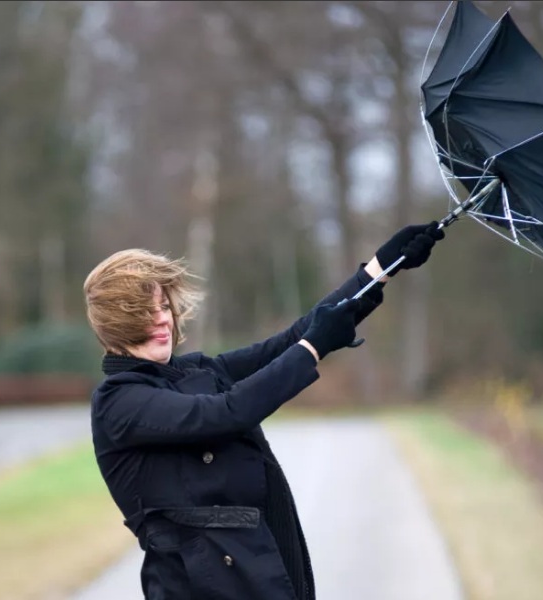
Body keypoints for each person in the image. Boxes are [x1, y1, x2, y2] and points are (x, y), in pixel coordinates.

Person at [82, 222, 445, 600]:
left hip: (259, 567)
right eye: (143, 312)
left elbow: (290, 341)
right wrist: (312, 348)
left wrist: (379, 270)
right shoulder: (119, 402)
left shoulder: (194, 370)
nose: (162, 319)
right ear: (115, 324)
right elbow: (225, 413)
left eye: (163, 306)